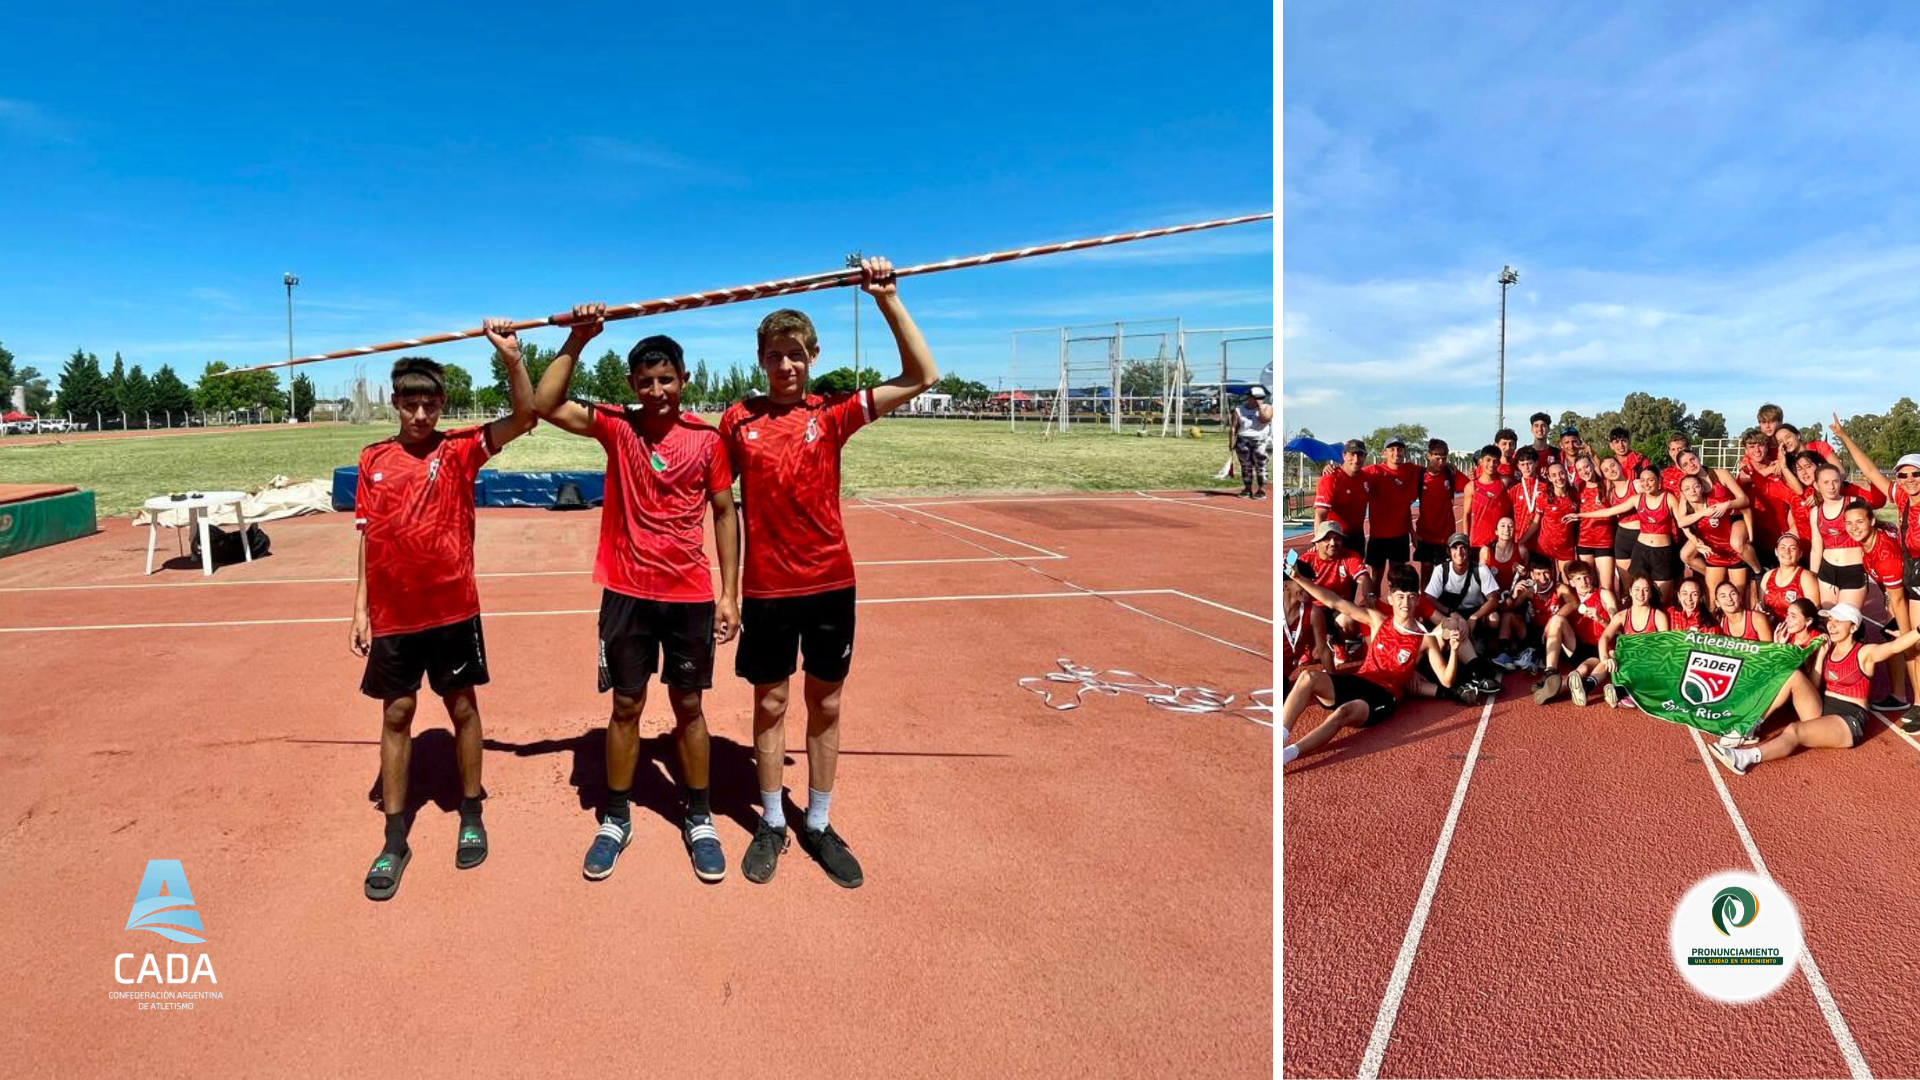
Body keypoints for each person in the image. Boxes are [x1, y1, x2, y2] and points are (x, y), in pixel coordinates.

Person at [717, 256, 938, 888]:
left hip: (829, 585)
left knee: (827, 700)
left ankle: (816, 820)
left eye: (795, 355)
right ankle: (769, 820)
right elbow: (715, 500)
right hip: (766, 590)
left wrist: (885, 297)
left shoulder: (832, 413)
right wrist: (726, 592)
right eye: (774, 356)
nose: (785, 366)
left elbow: (923, 374)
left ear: (812, 355)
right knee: (771, 700)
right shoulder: (739, 420)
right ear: (759, 360)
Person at [533, 309, 742, 884]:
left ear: (684, 379)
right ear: (632, 385)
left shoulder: (706, 439)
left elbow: (725, 512)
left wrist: (731, 595)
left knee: (690, 705)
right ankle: (617, 816)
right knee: (626, 706)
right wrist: (580, 336)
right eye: (646, 381)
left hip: (689, 594)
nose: (657, 391)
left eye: (666, 379)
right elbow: (547, 403)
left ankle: (698, 815)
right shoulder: (618, 426)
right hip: (626, 592)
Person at [351, 332, 537, 901]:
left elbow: (527, 416)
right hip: (394, 613)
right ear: (395, 403)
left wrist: (511, 358)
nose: (421, 413)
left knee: (462, 708)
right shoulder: (372, 460)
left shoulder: (460, 449)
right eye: (410, 403)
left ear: (442, 403)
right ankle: (394, 836)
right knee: (397, 712)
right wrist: (359, 608)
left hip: (452, 607)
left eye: (430, 403)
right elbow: (365, 537)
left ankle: (472, 811)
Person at [1280, 563, 1477, 763]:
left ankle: (1287, 755)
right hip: (1360, 680)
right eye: (1400, 597)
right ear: (1390, 598)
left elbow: (1446, 680)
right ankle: (1280, 736)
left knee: (1343, 712)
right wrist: (1298, 578)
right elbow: (1335, 603)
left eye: (1410, 597)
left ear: (1417, 599)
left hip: (1383, 695)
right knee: (1307, 677)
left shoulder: (1425, 639)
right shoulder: (1377, 620)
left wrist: (1453, 651)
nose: (1405, 603)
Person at [1710, 604, 1920, 775]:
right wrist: (1819, 656)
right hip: (1823, 707)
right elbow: (1813, 684)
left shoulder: (1865, 653)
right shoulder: (1827, 649)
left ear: (1853, 627)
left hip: (1849, 719)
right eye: (1830, 621)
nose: (1832, 626)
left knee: (1794, 730)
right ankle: (1752, 726)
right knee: (1793, 676)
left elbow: (1894, 647)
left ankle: (1744, 757)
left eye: (1839, 621)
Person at [1835, 429, 1920, 728]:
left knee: (1910, 641)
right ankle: (1899, 695)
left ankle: (1919, 704)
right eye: (1903, 475)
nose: (1909, 479)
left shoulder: (1883, 553)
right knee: (1894, 634)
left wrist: (1906, 633)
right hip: (1910, 573)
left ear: (1871, 520)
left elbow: (1897, 596)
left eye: (1915, 475)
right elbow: (1870, 469)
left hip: (1912, 576)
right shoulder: (1900, 497)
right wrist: (1843, 436)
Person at [1568, 465, 1681, 605]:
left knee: (1663, 597)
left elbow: (1682, 522)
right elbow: (1610, 511)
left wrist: (1696, 540)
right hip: (1641, 550)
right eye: (1643, 480)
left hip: (1662, 551)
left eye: (1650, 480)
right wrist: (1580, 515)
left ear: (1658, 480)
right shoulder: (1637, 499)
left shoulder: (1669, 498)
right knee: (1636, 592)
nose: (1646, 483)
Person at [1531, 560, 1615, 704]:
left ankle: (1559, 691)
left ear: (1592, 577)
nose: (1584, 581)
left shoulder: (1603, 594)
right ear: (1571, 582)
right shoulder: (1571, 600)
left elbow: (1618, 627)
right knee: (1557, 619)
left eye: (1586, 577)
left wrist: (1600, 619)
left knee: (1584, 669)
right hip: (1579, 647)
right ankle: (1550, 672)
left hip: (1603, 647)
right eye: (1578, 578)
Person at [1296, 520, 1374, 667]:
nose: (1333, 543)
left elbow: (1363, 578)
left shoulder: (1350, 556)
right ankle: (1306, 646)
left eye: (1337, 538)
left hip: (1338, 610)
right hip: (1312, 610)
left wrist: (1368, 595)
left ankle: (1338, 642)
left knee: (1351, 621)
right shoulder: (1306, 560)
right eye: (1327, 539)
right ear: (1317, 542)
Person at [1807, 466, 1886, 611]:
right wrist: (1813, 577)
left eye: (1835, 481)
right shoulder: (1815, 512)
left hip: (1853, 570)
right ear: (1817, 486)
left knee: (1848, 620)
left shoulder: (1853, 503)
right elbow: (1816, 549)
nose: (1831, 487)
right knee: (1828, 618)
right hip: (1827, 572)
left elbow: (1878, 506)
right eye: (1826, 482)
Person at [1676, 473, 1756, 600]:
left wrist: (1750, 536)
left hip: (1733, 554)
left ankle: (1757, 573)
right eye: (1687, 489)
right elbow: (1682, 523)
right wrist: (1696, 542)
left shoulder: (1715, 503)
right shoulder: (1688, 510)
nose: (1692, 491)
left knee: (1736, 598)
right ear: (1683, 494)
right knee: (1713, 601)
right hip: (1715, 557)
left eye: (1696, 486)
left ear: (1702, 488)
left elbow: (1746, 509)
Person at [1595, 573, 1669, 708]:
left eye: (1645, 590)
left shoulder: (1658, 616)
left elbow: (1665, 647)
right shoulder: (1622, 616)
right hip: (1627, 663)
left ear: (1651, 593)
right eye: (1636, 589)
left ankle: (1621, 692)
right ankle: (1588, 685)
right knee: (1611, 655)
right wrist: (1605, 658)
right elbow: (1604, 638)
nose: (1640, 594)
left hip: (1649, 664)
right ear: (1630, 591)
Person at [1495, 553, 1570, 675]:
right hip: (1534, 634)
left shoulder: (1560, 589)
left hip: (1553, 635)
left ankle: (1534, 657)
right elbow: (1506, 609)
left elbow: (1574, 604)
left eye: (1546, 573)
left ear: (1551, 572)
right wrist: (1514, 595)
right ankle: (1504, 653)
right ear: (1532, 575)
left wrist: (1553, 621)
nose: (1543, 578)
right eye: (1538, 574)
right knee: (1508, 616)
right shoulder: (1529, 591)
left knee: (1555, 625)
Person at [1411, 438, 1469, 582]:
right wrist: (1412, 533)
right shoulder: (1419, 476)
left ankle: (1441, 602)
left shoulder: (1451, 474)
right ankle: (1424, 599)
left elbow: (1471, 487)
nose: (1441, 463)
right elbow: (1405, 503)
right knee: (1426, 569)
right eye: (1437, 458)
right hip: (1425, 533)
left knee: (1444, 571)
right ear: (1428, 456)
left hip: (1446, 534)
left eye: (1444, 459)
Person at [1361, 436, 1421, 576]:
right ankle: (1375, 598)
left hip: (1400, 536)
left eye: (1400, 449)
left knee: (1398, 578)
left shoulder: (1411, 470)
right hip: (1378, 537)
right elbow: (1350, 472)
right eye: (1392, 449)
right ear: (1384, 453)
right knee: (1376, 576)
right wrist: (1332, 469)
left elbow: (1434, 468)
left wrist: (1450, 466)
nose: (1396, 453)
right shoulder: (1374, 471)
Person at [1570, 455, 1617, 594]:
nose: (1584, 471)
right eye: (1580, 469)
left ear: (1592, 466)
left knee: (1606, 587)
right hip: (1584, 542)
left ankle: (1608, 614)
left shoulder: (1607, 485)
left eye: (1586, 466)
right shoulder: (1578, 488)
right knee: (1587, 586)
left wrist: (1595, 456)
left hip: (1604, 542)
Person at [1757, 534, 1820, 628]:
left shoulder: (1806, 577)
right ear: (1776, 552)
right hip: (1771, 630)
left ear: (1800, 554)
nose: (1787, 552)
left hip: (1797, 632)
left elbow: (1814, 612)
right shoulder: (1768, 575)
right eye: (1782, 548)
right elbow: (1761, 607)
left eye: (1792, 548)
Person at [1314, 439, 1370, 538]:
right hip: (1334, 538)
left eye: (1360, 455)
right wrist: (1319, 542)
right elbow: (1320, 515)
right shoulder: (1330, 479)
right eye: (1352, 454)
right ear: (1344, 456)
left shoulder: (1367, 477)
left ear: (1365, 457)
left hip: (1357, 538)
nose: (1356, 459)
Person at [1465, 445, 1511, 565]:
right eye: (1488, 460)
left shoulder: (1505, 482)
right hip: (1477, 542)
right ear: (1481, 461)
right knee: (1477, 580)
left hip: (1499, 542)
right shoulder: (1471, 487)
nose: (1491, 464)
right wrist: (1466, 540)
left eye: (1495, 461)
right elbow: (1466, 515)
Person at [1231, 386, 1273, 499]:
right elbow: (1234, 427)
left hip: (1261, 441)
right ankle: (1247, 488)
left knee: (1261, 466)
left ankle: (1261, 490)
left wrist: (1259, 407)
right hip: (1243, 440)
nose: (1256, 400)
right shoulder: (1239, 410)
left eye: (1260, 398)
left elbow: (1265, 419)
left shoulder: (1267, 408)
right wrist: (1231, 442)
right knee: (1246, 466)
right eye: (1253, 397)